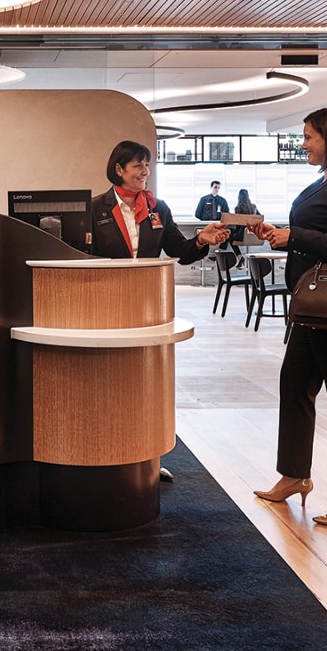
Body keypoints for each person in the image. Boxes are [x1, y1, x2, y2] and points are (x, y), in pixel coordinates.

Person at [252, 107, 327, 529]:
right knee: (295, 385)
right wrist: (280, 235)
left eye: (309, 137)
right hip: (310, 308)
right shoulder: (322, 182)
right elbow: (312, 236)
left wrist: (295, 236)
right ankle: (294, 474)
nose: (302, 143)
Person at [92, 140, 231, 482]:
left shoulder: (158, 209)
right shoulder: (94, 208)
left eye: (147, 164)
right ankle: (108, 452)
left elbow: (181, 251)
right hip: (106, 309)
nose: (145, 171)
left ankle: (146, 457)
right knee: (110, 382)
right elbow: (84, 257)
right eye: (138, 165)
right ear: (119, 169)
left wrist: (201, 238)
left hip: (148, 308)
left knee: (146, 383)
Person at [230, 188, 261, 269]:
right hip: (253, 236)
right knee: (229, 232)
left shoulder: (238, 208)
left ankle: (240, 257)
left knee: (228, 234)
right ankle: (240, 258)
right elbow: (260, 218)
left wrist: (235, 234)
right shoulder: (253, 207)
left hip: (243, 236)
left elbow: (238, 225)